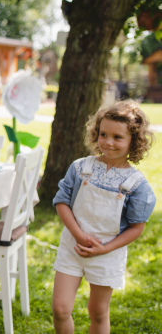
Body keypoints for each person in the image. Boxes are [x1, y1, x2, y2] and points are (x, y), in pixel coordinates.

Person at [51, 100, 156, 333]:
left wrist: (104, 249)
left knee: (97, 311)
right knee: (60, 308)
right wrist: (78, 234)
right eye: (103, 134)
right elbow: (61, 202)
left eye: (118, 137)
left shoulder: (136, 185)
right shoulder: (80, 168)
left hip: (107, 252)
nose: (108, 142)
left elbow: (136, 227)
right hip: (73, 247)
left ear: (133, 141)